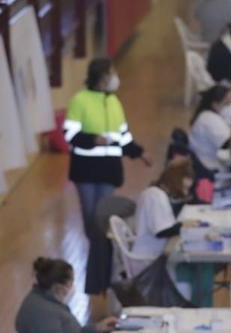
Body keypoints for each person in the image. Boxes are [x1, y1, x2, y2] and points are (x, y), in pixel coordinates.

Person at [63, 57, 145, 315]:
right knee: (92, 225)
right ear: (101, 77)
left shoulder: (114, 102)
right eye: (112, 73)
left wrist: (138, 152)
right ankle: (99, 277)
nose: (115, 78)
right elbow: (69, 135)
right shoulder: (80, 101)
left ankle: (101, 279)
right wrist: (93, 140)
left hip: (109, 172)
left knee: (102, 225)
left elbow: (123, 136)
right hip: (87, 172)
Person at [132, 157, 220, 306]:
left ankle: (197, 305)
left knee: (201, 266)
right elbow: (161, 231)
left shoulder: (156, 193)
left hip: (158, 253)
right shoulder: (156, 197)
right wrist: (183, 225)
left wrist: (183, 225)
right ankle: (195, 306)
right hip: (151, 259)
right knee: (199, 267)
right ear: (176, 182)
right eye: (184, 188)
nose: (184, 193)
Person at [15, 258, 117, 333]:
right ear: (58, 287)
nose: (73, 287)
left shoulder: (46, 300)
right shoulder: (42, 313)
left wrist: (97, 328)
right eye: (71, 283)